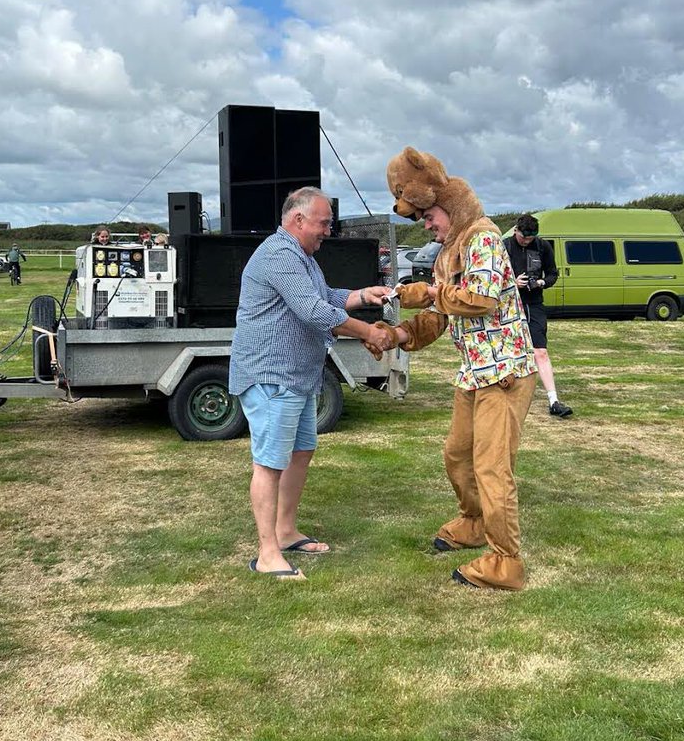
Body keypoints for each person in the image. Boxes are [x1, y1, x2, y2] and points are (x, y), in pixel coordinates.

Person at [375, 146, 537, 591]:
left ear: (445, 206)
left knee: (491, 467)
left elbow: (480, 300)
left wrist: (427, 293)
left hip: (503, 374)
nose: (426, 224)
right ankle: (473, 522)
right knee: (457, 455)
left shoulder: (483, 236)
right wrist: (396, 336)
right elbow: (440, 319)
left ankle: (506, 562)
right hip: (474, 373)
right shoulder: (449, 250)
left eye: (429, 216)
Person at [229, 187, 392, 578]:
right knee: (269, 464)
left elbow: (325, 295)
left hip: (299, 378)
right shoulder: (279, 253)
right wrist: (368, 332)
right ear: (298, 219)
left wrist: (360, 294)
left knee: (300, 453)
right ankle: (267, 554)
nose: (327, 231)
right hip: (271, 376)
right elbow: (312, 309)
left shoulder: (303, 257)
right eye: (324, 223)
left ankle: (285, 533)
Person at [506, 213, 572, 418]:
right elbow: (495, 276)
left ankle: (554, 400)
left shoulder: (543, 247)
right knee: (510, 350)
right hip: (510, 303)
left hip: (534, 303)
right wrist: (513, 283)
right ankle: (505, 396)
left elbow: (552, 274)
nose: (526, 241)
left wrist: (542, 282)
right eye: (523, 238)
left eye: (530, 239)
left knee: (540, 351)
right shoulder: (504, 246)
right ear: (516, 230)